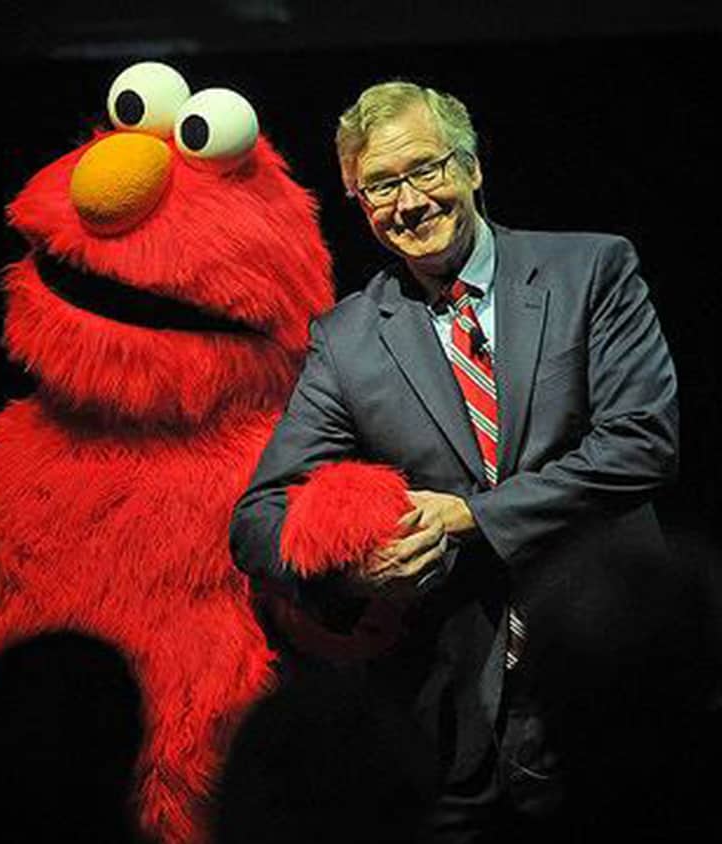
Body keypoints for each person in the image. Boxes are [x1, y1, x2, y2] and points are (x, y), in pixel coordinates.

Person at [229, 79, 684, 841]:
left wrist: (473, 516)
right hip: (448, 710)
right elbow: (256, 521)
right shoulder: (345, 340)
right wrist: (353, 570)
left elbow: (643, 442)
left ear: (472, 168)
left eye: (425, 170)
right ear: (358, 202)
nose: (408, 202)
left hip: (606, 670)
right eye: (379, 185)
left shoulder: (591, 272)